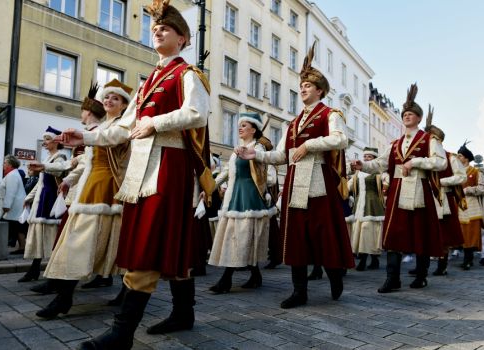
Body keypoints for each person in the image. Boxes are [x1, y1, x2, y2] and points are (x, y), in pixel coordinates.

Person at [62, 1, 212, 347]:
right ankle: (183, 312)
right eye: (154, 29)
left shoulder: (187, 74)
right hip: (142, 171)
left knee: (150, 240)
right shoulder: (149, 83)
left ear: (183, 39)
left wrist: (154, 122)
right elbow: (123, 129)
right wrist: (84, 137)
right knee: (166, 240)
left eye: (166, 29)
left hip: (169, 168)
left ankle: (122, 332)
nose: (157, 32)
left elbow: (197, 114)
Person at [236, 42, 354, 308]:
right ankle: (299, 291)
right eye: (301, 86)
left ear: (320, 90)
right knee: (296, 236)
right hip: (294, 185)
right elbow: (281, 155)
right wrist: (255, 155)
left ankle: (335, 275)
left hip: (318, 182)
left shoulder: (330, 114)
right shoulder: (292, 123)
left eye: (308, 86)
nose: (303, 89)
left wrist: (309, 144)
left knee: (324, 234)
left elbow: (340, 139)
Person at [33, 80, 132, 319]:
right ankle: (64, 297)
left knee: (110, 242)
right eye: (106, 98)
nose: (108, 101)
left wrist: (86, 137)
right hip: (91, 187)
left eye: (115, 99)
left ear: (124, 105)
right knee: (79, 242)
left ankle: (126, 293)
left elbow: (112, 140)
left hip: (108, 189)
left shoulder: (122, 126)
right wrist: (58, 174)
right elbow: (81, 163)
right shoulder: (102, 127)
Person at [352, 84, 447, 292]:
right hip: (396, 191)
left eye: (411, 114)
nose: (407, 116)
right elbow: (380, 163)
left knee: (421, 233)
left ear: (419, 118)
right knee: (393, 233)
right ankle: (392, 278)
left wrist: (415, 162)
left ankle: (421, 275)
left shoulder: (428, 139)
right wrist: (363, 166)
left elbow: (441, 162)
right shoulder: (394, 144)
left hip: (419, 189)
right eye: (405, 114)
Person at [208, 113, 275, 293]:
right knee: (240, 237)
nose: (240, 128)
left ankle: (226, 279)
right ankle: (255, 275)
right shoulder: (236, 150)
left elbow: (268, 175)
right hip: (234, 197)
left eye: (244, 125)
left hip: (249, 199)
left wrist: (252, 155)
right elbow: (226, 173)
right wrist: (209, 187)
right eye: (240, 125)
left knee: (240, 237)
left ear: (253, 130)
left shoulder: (258, 148)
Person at [19, 127, 67, 282]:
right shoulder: (47, 160)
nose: (44, 143)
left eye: (47, 139)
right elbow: (39, 184)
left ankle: (54, 274)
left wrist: (42, 167)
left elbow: (59, 173)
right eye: (44, 139)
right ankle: (34, 270)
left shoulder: (60, 158)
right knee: (40, 237)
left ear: (55, 141)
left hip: (51, 201)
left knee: (51, 238)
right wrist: (28, 198)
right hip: (42, 200)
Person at [423, 121, 466, 276]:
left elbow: (462, 177)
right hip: (423, 196)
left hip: (442, 197)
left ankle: (442, 264)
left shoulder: (450, 157)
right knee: (424, 232)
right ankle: (423, 266)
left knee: (443, 233)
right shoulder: (423, 156)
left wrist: (440, 183)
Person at [348, 147, 385, 271]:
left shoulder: (378, 172)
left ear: (374, 159)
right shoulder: (357, 173)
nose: (366, 158)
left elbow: (386, 185)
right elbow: (347, 187)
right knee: (360, 232)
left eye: (369, 157)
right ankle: (367, 260)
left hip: (373, 205)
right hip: (359, 205)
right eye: (365, 156)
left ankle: (369, 260)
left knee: (369, 231)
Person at [456, 142, 484, 270]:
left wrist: (468, 190)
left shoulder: (475, 172)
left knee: (470, 232)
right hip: (457, 205)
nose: (458, 158)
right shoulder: (455, 171)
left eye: (460, 156)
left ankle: (468, 259)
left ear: (466, 158)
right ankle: (464, 256)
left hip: (471, 205)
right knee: (460, 231)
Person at [0, 155, 27, 253]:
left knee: (15, 227)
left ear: (10, 165)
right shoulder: (12, 174)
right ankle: (21, 248)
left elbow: (10, 192)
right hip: (14, 207)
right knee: (17, 227)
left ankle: (19, 248)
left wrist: (6, 206)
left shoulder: (12, 175)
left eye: (5, 163)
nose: (3, 165)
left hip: (13, 207)